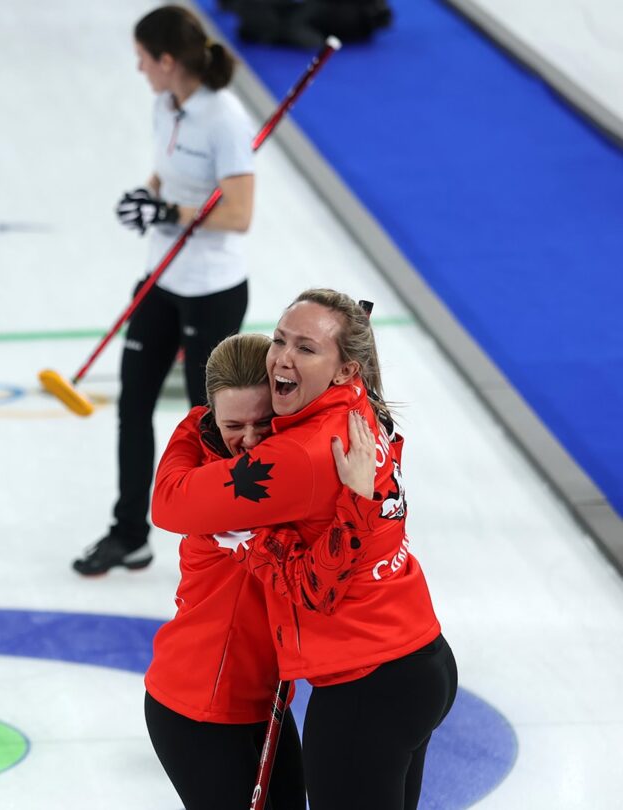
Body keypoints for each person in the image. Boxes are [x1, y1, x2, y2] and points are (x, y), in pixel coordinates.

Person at [153, 289, 458, 810]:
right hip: (417, 658)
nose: (284, 358)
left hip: (367, 680)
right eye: (279, 340)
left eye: (307, 348)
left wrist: (252, 538)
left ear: (344, 370)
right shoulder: (360, 407)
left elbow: (169, 504)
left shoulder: (294, 457)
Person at [75, 5, 256, 576]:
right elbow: (165, 175)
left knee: (208, 418)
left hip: (211, 287)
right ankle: (130, 531)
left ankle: (215, 533)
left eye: (143, 60)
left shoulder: (225, 118)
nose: (139, 70)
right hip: (160, 278)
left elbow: (239, 214)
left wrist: (169, 211)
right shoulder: (165, 105)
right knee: (134, 407)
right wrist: (146, 196)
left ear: (168, 60)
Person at [144, 334, 305, 810]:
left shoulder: (220, 451)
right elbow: (166, 499)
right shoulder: (223, 493)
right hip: (201, 707)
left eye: (264, 422)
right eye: (234, 424)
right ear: (211, 416)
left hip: (262, 698)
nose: (252, 441)